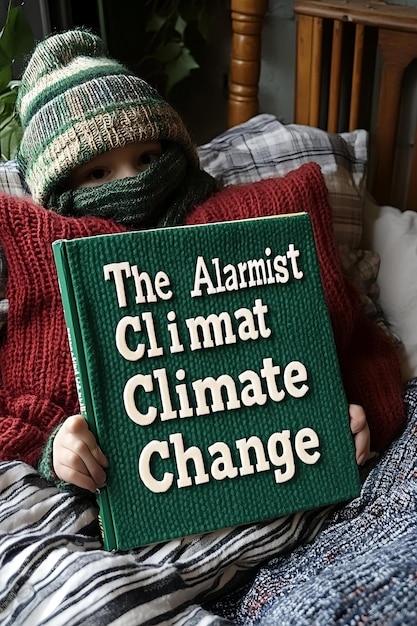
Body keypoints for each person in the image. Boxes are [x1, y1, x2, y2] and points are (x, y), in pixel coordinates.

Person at [1, 29, 404, 494]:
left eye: (148, 157)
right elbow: (16, 402)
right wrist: (54, 447)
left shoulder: (251, 230)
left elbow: (355, 349)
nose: (135, 181)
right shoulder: (46, 266)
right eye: (97, 173)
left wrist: (353, 412)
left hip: (282, 477)